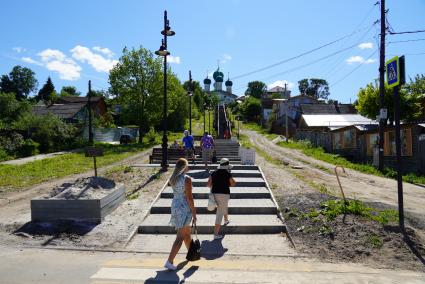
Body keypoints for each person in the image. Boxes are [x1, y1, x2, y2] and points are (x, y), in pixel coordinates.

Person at [165, 158, 197, 270]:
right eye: (187, 165)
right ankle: (169, 261)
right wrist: (194, 213)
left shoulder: (173, 179)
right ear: (184, 167)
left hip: (175, 206)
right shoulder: (186, 179)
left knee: (186, 233)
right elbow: (189, 197)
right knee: (180, 236)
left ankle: (192, 255)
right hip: (184, 207)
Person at [207, 158, 236, 240]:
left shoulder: (214, 173)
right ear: (227, 166)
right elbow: (233, 183)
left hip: (215, 194)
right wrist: (226, 185)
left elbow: (208, 184)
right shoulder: (227, 174)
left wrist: (216, 185)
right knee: (220, 213)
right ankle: (215, 234)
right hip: (224, 194)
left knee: (223, 207)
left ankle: (226, 220)